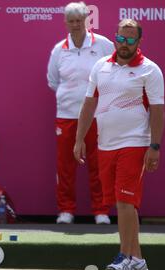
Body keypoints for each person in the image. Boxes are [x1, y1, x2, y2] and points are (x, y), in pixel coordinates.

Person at [74, 19, 165, 270]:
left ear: (139, 42)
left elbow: (158, 111)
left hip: (135, 143)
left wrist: (154, 146)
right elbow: (89, 104)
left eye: (130, 40)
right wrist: (79, 139)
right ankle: (137, 260)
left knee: (125, 201)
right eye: (121, 39)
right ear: (115, 38)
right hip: (105, 144)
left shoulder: (150, 70)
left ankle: (125, 256)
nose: (124, 44)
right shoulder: (101, 66)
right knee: (122, 203)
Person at [47, 2, 114, 224]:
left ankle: (101, 210)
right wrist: (73, 99)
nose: (76, 25)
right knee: (65, 165)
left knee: (98, 163)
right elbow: (53, 81)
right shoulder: (59, 50)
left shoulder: (103, 45)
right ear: (65, 22)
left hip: (98, 115)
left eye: (79, 20)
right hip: (66, 116)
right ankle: (66, 210)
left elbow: (116, 74)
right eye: (72, 21)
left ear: (87, 20)